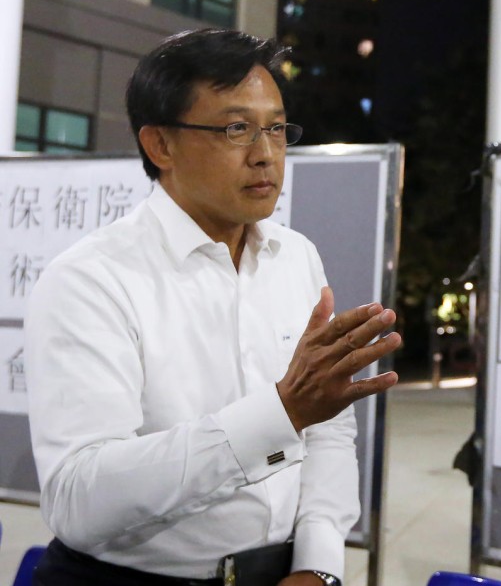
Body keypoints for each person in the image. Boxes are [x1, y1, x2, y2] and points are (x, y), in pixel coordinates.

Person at [25, 28, 400, 585]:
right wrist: (280, 414)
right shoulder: (91, 279)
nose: (266, 154)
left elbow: (326, 431)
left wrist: (318, 565)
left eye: (276, 127)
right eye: (236, 128)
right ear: (160, 145)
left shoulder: (295, 258)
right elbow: (79, 499)